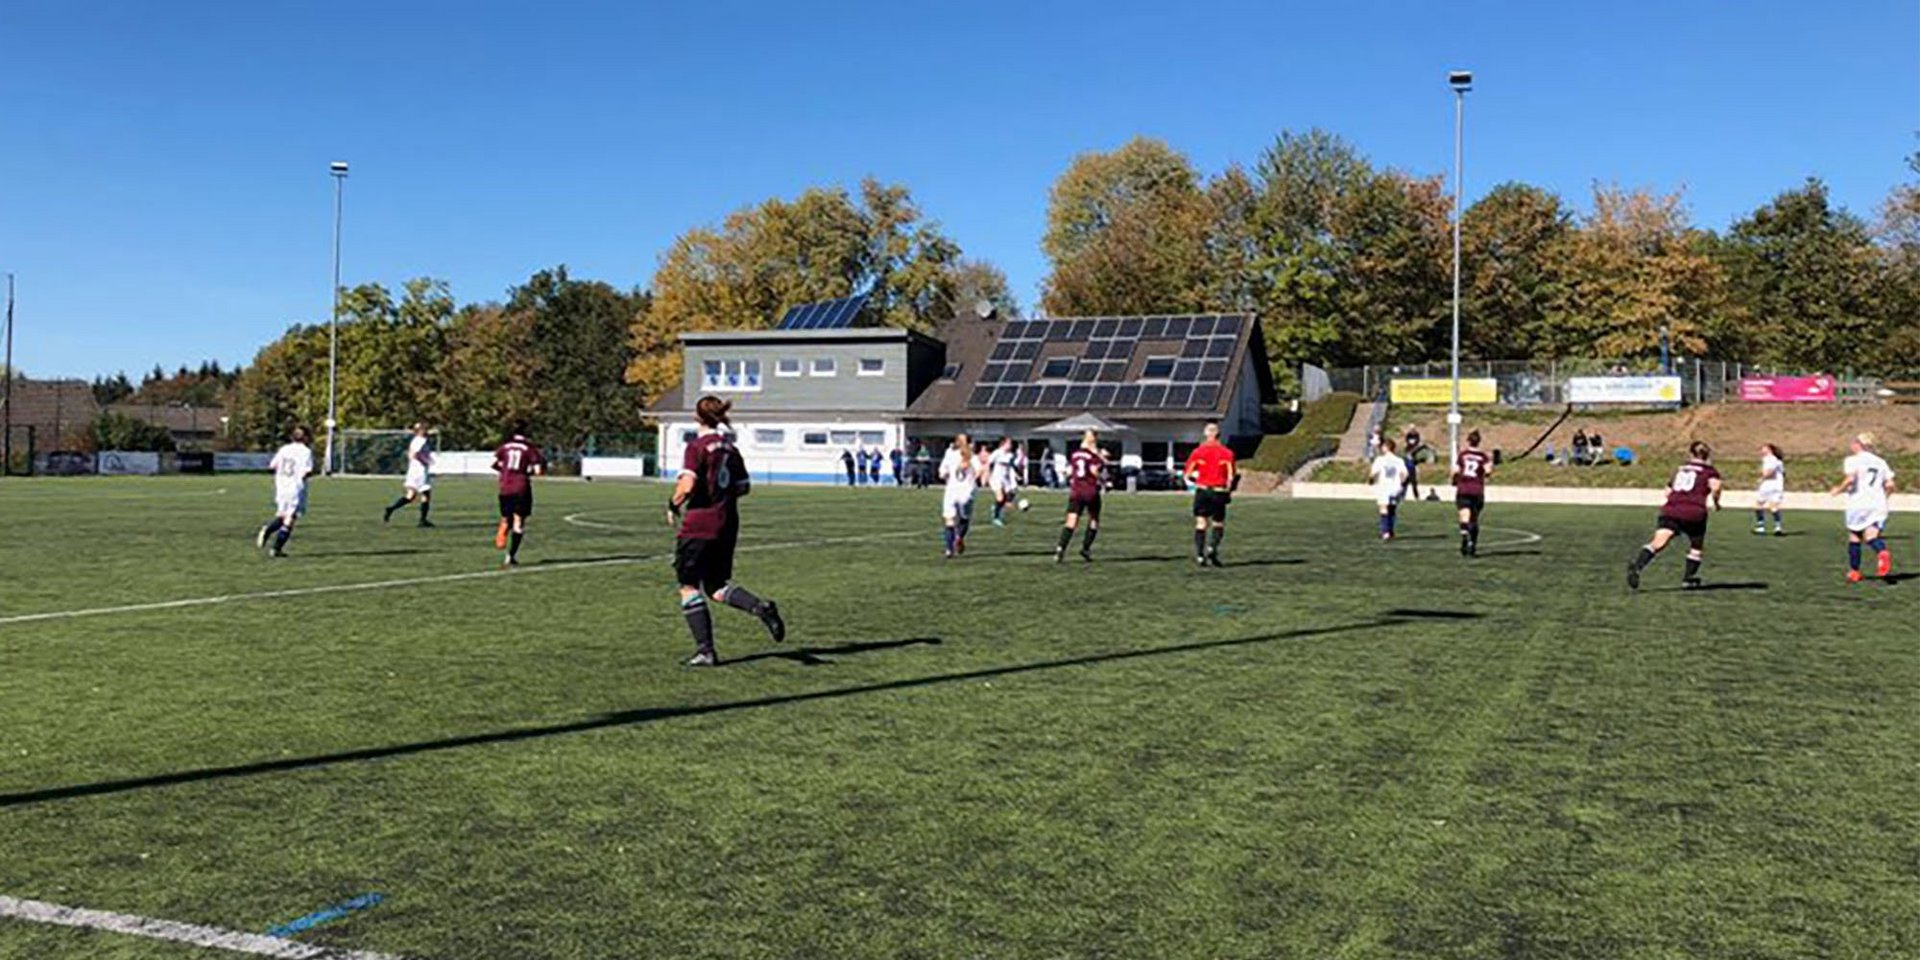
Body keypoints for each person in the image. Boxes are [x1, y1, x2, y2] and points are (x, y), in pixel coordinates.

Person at [668, 396, 785, 667]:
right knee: (715, 584)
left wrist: (672, 504)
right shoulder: (731, 451)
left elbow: (686, 486)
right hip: (727, 523)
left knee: (688, 586)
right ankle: (760, 607)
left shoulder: (696, 447)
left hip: (699, 524)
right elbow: (744, 487)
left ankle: (705, 650)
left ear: (697, 418)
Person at [1626, 440, 1722, 591]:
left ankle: (1637, 567)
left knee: (1658, 543)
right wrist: (1716, 502)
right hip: (1693, 512)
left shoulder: (1680, 470)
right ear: (1707, 455)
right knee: (1696, 547)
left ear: (1690, 453)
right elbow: (1716, 488)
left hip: (1672, 509)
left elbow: (1667, 491)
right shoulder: (1709, 471)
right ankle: (1687, 579)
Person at [1829, 432, 1896, 582]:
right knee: (1872, 536)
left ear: (1859, 444)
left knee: (1855, 536)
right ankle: (1881, 551)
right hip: (1877, 504)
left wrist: (1838, 490)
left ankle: (1854, 572)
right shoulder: (1881, 462)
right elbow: (1891, 485)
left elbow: (1851, 479)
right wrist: (1883, 498)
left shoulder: (1852, 460)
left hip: (1858, 502)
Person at [256, 425, 315, 558]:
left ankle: (268, 530)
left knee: (283, 515)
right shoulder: (305, 451)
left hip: (281, 486)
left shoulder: (284, 449)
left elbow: (272, 465)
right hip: (295, 487)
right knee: (290, 518)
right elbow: (307, 471)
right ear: (305, 437)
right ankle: (276, 548)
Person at [492, 421, 546, 567]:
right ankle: (510, 556)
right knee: (519, 521)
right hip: (520, 487)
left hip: (504, 486)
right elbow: (538, 471)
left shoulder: (505, 447)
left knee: (506, 515)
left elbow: (495, 464)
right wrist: (525, 471)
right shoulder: (529, 448)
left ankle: (503, 525)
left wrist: (506, 472)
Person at [1183, 422, 1237, 567]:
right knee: (1218, 522)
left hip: (1202, 490)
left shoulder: (1198, 452)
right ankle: (1212, 547)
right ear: (1219, 435)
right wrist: (1229, 491)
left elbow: (1187, 475)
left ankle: (1200, 555)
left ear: (1205, 434)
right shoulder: (1227, 453)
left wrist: (1198, 480)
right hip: (1219, 491)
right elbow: (1231, 476)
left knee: (1201, 523)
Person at [1055, 430, 1108, 562]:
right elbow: (1094, 471)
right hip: (1090, 491)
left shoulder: (1074, 455)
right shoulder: (1093, 456)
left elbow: (1070, 472)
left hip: (1076, 491)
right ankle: (1085, 548)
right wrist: (1104, 480)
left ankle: (1061, 548)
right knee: (1094, 519)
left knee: (1071, 522)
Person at [382, 422, 436, 527]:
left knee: (410, 496)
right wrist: (425, 461)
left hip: (413, 471)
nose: (426, 430)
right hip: (420, 472)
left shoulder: (415, 441)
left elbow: (410, 454)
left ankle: (391, 509)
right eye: (424, 429)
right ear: (420, 431)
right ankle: (422, 520)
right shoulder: (421, 440)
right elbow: (415, 454)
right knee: (426, 494)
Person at [938, 433, 980, 558]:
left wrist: (946, 474)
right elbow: (979, 471)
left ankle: (949, 549)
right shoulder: (972, 456)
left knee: (949, 520)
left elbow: (942, 473)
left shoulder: (950, 454)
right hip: (967, 491)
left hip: (952, 490)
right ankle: (959, 537)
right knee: (964, 518)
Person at [1454, 430, 1494, 557]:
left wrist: (1455, 481)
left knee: (1464, 516)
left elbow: (1455, 471)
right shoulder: (1483, 457)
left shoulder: (1463, 455)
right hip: (1477, 489)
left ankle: (1465, 537)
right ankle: (1473, 543)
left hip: (1464, 488)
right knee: (1474, 519)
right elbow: (1488, 471)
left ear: (1468, 441)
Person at [1368, 438, 1407, 541]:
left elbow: (1373, 474)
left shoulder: (1380, 460)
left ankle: (1385, 532)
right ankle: (1391, 531)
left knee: (1383, 508)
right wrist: (1401, 484)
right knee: (1392, 509)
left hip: (1384, 487)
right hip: (1395, 487)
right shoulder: (1399, 460)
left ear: (1386, 447)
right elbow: (1404, 474)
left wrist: (1371, 480)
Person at [1754, 443, 1786, 536]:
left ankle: (1761, 526)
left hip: (1768, 485)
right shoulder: (1779, 461)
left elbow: (1769, 471)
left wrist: (1762, 478)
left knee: (1759, 504)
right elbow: (1783, 473)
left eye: (1763, 449)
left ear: (1769, 450)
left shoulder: (1769, 459)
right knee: (1774, 506)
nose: (1761, 451)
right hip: (1778, 486)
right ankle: (1777, 526)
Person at [988, 437, 1021, 526]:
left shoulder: (1011, 455)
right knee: (1000, 498)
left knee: (1009, 496)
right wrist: (988, 474)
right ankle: (996, 518)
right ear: (1003, 444)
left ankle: (996, 508)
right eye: (1008, 443)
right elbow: (988, 463)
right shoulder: (997, 453)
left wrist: (1016, 475)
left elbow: (1011, 467)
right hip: (996, 478)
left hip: (1005, 479)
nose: (1010, 445)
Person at [1402, 426, 1423, 499]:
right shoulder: (1407, 451)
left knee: (1414, 483)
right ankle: (1402, 495)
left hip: (1412, 469)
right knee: (1404, 483)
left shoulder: (1416, 453)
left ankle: (1416, 496)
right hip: (1407, 468)